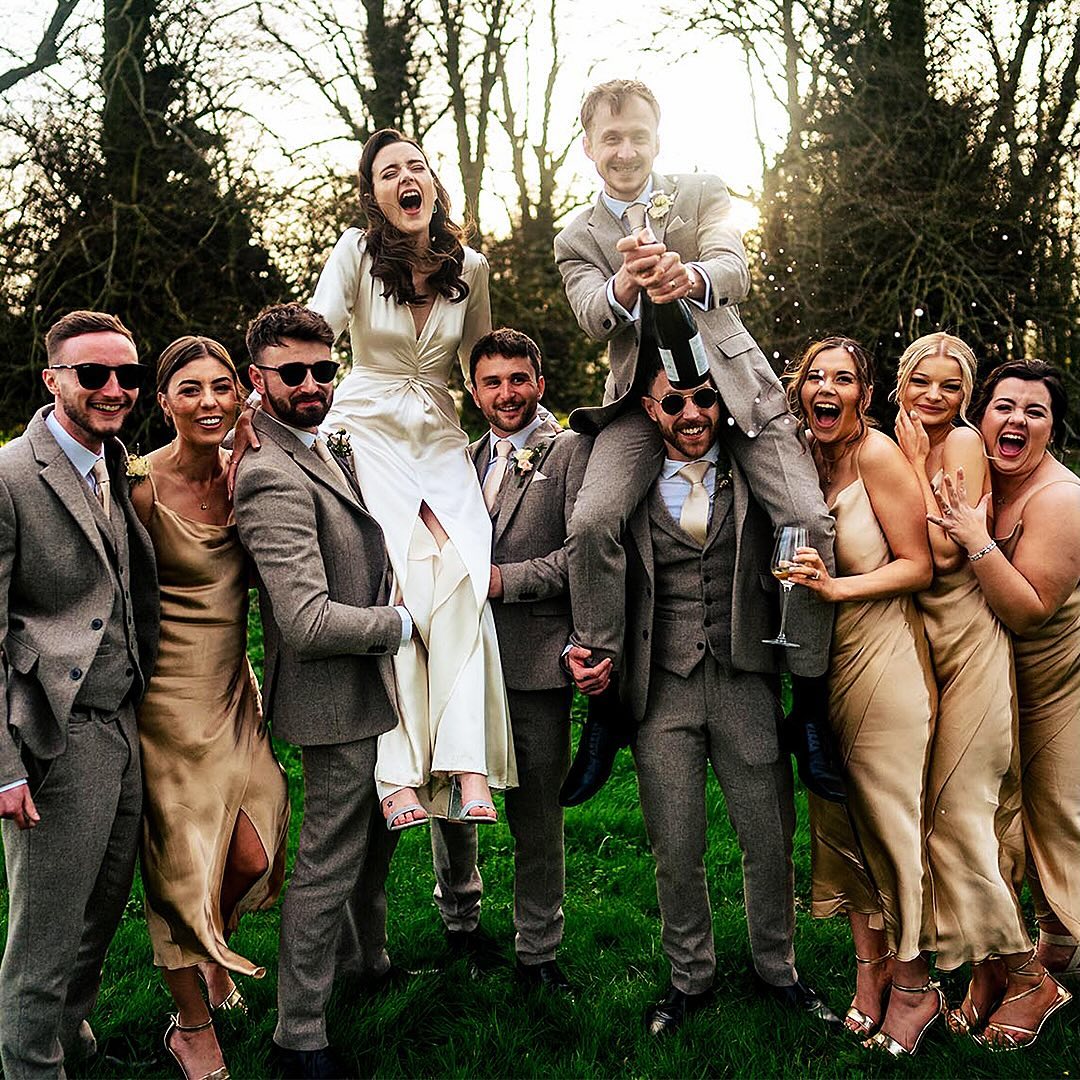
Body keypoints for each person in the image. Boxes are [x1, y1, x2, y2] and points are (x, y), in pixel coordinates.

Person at [554, 78, 838, 805]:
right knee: (592, 520)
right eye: (611, 139)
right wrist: (625, 283)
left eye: (638, 136)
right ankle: (605, 703)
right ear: (588, 147)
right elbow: (590, 314)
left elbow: (735, 267)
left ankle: (808, 705)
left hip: (736, 390)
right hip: (642, 404)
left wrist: (690, 276)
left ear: (658, 138)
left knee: (806, 520)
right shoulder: (576, 237)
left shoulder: (703, 190)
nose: (625, 151)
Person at [567, 350, 840, 1036]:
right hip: (662, 690)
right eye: (674, 402)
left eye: (705, 399)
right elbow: (588, 556)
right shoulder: (624, 486)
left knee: (769, 838)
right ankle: (690, 977)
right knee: (676, 845)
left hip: (745, 679)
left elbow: (802, 513)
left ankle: (778, 969)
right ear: (649, 410)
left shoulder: (752, 471)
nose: (692, 414)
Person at [309, 127, 513, 826]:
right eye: (389, 172)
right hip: (366, 426)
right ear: (375, 195)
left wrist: (529, 426)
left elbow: (482, 364)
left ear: (432, 184)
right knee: (400, 577)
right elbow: (315, 333)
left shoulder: (471, 268)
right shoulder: (356, 253)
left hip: (439, 433)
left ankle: (466, 762)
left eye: (416, 166)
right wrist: (261, 406)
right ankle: (396, 772)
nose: (406, 178)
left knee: (462, 570)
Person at [233, 303, 406, 1079]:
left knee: (375, 840)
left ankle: (366, 962)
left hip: (370, 683)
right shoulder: (268, 473)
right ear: (257, 379)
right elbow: (304, 622)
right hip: (330, 693)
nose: (312, 384)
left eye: (324, 369)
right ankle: (298, 1033)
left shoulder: (318, 444)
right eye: (292, 372)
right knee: (328, 860)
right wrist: (401, 625)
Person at [0, 310, 159, 1078]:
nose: (114, 388)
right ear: (53, 379)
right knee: (46, 934)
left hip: (122, 727)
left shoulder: (115, 463)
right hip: (53, 736)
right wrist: (5, 769)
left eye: (128, 375)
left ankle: (70, 1041)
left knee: (98, 915)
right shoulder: (9, 477)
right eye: (93, 373)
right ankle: (31, 1064)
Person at [130, 335, 291, 1080]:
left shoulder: (247, 472)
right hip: (165, 707)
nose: (209, 402)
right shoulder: (139, 485)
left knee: (255, 850)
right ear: (163, 401)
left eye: (222, 387)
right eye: (190, 389)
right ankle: (191, 1028)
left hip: (234, 692)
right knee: (182, 867)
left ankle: (211, 947)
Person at [783, 338, 941, 1057]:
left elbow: (920, 564)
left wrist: (835, 588)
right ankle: (869, 971)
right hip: (822, 664)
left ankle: (915, 987)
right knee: (839, 824)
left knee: (888, 824)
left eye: (842, 378)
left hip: (883, 659)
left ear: (864, 396)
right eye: (815, 375)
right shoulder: (800, 457)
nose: (826, 387)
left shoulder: (876, 456)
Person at [431, 329, 590, 991]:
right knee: (451, 800)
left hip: (533, 660)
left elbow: (582, 553)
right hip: (460, 662)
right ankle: (459, 918)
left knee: (537, 815)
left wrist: (505, 581)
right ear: (474, 392)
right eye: (492, 382)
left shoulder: (572, 452)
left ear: (540, 383)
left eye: (518, 379)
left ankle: (538, 950)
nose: (506, 393)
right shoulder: (460, 459)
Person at [891, 333, 1033, 1038]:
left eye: (950, 386)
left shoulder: (963, 445)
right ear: (902, 381)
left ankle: (1029, 972)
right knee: (941, 813)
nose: (934, 396)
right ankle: (987, 974)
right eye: (923, 380)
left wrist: (919, 466)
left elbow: (948, 552)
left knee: (960, 811)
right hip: (925, 643)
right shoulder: (893, 438)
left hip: (971, 640)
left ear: (967, 395)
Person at [931, 359, 1075, 1050]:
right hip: (995, 680)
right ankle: (1003, 967)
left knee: (1057, 824)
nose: (1016, 419)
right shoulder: (979, 478)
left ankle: (1043, 967)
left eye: (1035, 411)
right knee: (992, 827)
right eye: (1004, 406)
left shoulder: (1062, 500)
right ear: (981, 415)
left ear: (1053, 429)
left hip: (1057, 686)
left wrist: (975, 539)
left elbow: (1030, 610)